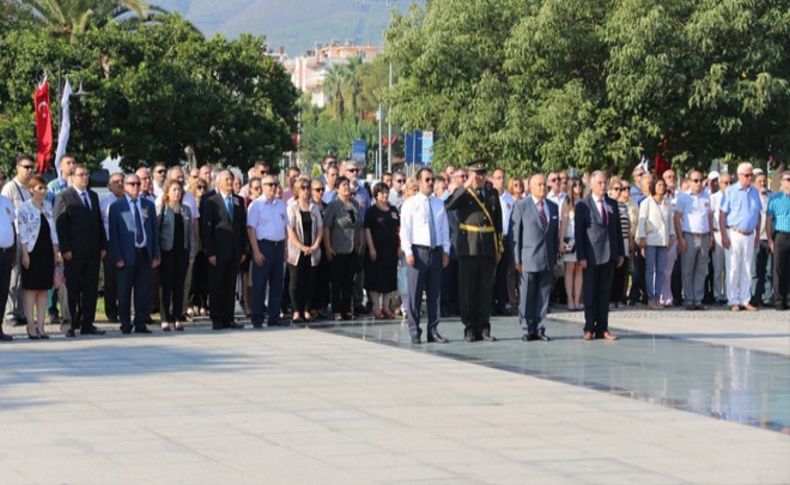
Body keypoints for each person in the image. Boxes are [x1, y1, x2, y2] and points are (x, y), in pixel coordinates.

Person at [445, 160, 503, 342]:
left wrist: (498, 245)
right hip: (468, 246)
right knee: (468, 289)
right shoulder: (462, 192)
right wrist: (466, 186)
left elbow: (498, 221)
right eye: (475, 174)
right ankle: (469, 326)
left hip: (486, 246)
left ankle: (484, 326)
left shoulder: (491, 193)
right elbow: (450, 205)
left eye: (482, 173)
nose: (479, 177)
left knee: (485, 289)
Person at [54, 164, 106, 337]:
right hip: (73, 252)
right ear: (73, 177)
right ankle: (68, 323)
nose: (84, 177)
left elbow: (98, 222)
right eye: (81, 174)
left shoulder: (93, 196)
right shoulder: (65, 196)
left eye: (86, 174)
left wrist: (103, 245)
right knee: (71, 288)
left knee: (90, 288)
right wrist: (65, 248)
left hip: (92, 251)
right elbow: (60, 225)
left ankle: (87, 323)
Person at [400, 168, 449, 344]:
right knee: (415, 293)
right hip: (418, 251)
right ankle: (414, 331)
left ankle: (433, 330)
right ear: (419, 182)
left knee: (434, 294)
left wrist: (446, 250)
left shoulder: (438, 204)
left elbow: (444, 230)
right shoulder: (410, 204)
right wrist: (408, 251)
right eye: (427, 180)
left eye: (432, 180)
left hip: (435, 251)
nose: (430, 183)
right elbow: (405, 230)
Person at [108, 174, 161, 334]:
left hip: (143, 253)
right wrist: (116, 257)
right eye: (132, 184)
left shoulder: (148, 205)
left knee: (142, 291)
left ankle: (140, 322)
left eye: (138, 184)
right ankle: (125, 323)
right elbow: (113, 234)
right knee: (124, 292)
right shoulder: (117, 206)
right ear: (124, 185)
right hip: (125, 255)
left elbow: (153, 232)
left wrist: (155, 254)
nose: (136, 187)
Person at [575, 171, 624, 341]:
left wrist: (620, 253)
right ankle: (589, 327)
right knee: (590, 293)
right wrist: (581, 256)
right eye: (600, 183)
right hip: (591, 255)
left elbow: (617, 230)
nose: (603, 186)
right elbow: (579, 232)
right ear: (592, 184)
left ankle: (603, 328)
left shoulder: (612, 203)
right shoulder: (583, 205)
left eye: (605, 183)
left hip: (609, 253)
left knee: (604, 294)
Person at [511, 174, 559, 342]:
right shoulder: (522, 206)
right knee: (527, 296)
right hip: (528, 258)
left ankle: (539, 328)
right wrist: (517, 258)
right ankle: (527, 328)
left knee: (543, 295)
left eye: (544, 184)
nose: (543, 187)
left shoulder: (553, 207)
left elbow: (554, 235)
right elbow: (515, 234)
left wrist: (554, 256)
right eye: (539, 184)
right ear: (530, 187)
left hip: (546, 258)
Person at [201, 169, 247, 330]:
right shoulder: (211, 201)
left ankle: (229, 318)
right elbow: (207, 230)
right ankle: (216, 318)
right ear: (218, 182)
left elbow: (242, 226)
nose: (230, 182)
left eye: (231, 179)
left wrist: (243, 250)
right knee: (217, 285)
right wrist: (210, 252)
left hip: (234, 251)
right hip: (218, 252)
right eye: (227, 179)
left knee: (230, 286)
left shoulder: (239, 201)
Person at [17, 176, 59, 339]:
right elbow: (23, 233)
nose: (43, 191)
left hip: (47, 251)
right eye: (40, 188)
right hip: (32, 251)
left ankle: (41, 327)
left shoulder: (48, 206)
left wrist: (56, 252)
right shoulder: (24, 208)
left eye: (44, 188)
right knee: (31, 290)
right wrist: (25, 254)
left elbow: (53, 232)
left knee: (43, 290)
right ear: (31, 189)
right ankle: (31, 325)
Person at [719, 163, 762, 312]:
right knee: (733, 268)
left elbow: (758, 215)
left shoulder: (754, 192)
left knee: (747, 268)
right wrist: (724, 235)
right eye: (746, 175)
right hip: (734, 233)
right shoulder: (730, 191)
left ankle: (745, 299)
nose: (749, 178)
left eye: (751, 175)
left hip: (749, 234)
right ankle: (732, 300)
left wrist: (757, 234)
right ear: (739, 175)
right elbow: (722, 214)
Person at [247, 174, 288, 327]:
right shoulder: (256, 205)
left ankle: (274, 317)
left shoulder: (280, 205)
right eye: (270, 184)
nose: (273, 187)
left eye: (275, 184)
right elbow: (251, 230)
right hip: (264, 246)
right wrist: (256, 251)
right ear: (263, 187)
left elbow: (285, 227)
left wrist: (286, 249)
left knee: (277, 284)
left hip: (279, 245)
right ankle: (257, 317)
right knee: (260, 284)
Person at [156, 179, 196, 331]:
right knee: (166, 285)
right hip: (167, 252)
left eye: (179, 190)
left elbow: (191, 233)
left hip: (182, 252)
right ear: (167, 192)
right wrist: (157, 254)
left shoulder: (186, 210)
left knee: (179, 285)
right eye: (174, 190)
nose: (177, 193)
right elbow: (157, 232)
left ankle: (178, 316)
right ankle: (165, 317)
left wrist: (192, 253)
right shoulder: (163, 209)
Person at [323, 176, 363, 321]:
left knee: (349, 281)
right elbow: (326, 227)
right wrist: (328, 247)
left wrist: (360, 244)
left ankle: (347, 309)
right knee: (337, 282)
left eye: (348, 185)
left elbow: (358, 226)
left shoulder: (354, 204)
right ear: (337, 188)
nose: (347, 187)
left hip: (353, 249)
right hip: (338, 248)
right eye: (344, 185)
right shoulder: (333, 205)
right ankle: (337, 310)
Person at [674, 170, 713, 310]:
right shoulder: (683, 197)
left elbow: (709, 217)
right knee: (687, 269)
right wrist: (681, 238)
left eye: (700, 180)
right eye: (695, 180)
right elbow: (677, 218)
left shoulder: (706, 197)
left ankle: (698, 299)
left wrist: (710, 237)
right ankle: (689, 299)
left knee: (702, 270)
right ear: (689, 182)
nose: (698, 183)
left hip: (703, 236)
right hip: (689, 235)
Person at [3, 154, 34, 326]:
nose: (29, 170)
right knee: (13, 277)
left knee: (25, 277)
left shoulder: (29, 188)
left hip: (29, 238)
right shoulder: (10, 187)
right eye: (26, 167)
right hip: (15, 237)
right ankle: (9, 313)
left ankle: (21, 311)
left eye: (31, 167)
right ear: (17, 167)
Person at [285, 177, 322, 322]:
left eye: (308, 188)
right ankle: (296, 310)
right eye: (303, 188)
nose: (306, 191)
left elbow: (320, 228)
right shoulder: (292, 207)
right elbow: (290, 230)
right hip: (296, 250)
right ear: (297, 190)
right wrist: (302, 247)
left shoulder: (314, 208)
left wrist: (315, 245)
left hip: (312, 249)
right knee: (295, 281)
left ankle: (307, 309)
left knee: (310, 281)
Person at [637, 178, 675, 310]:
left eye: (663, 185)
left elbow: (670, 221)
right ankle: (650, 297)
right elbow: (642, 221)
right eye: (659, 185)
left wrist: (672, 236)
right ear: (653, 187)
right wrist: (642, 237)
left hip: (663, 241)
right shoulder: (647, 202)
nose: (662, 187)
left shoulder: (667, 203)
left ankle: (658, 296)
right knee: (649, 270)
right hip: (651, 240)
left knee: (660, 270)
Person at [364, 182, 399, 319]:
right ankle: (376, 307)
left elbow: (398, 229)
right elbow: (367, 230)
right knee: (375, 278)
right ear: (376, 195)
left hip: (391, 250)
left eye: (386, 192)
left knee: (389, 278)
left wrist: (400, 247)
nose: (385, 195)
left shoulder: (393, 210)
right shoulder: (371, 211)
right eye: (382, 192)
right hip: (376, 249)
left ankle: (386, 307)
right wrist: (371, 248)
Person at [492, 168, 516, 315]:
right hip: (493, 239)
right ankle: (490, 303)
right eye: (498, 178)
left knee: (504, 273)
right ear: (493, 179)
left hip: (506, 239)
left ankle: (501, 303)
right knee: (491, 274)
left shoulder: (510, 199)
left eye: (502, 177)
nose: (501, 181)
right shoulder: (490, 197)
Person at [766, 171, 790, 310]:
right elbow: (769, 220)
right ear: (781, 181)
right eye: (787, 179)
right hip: (780, 235)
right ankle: (779, 300)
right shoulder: (775, 198)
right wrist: (770, 239)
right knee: (778, 269)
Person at [560, 177, 584, 310]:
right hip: (570, 237)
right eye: (575, 185)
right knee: (570, 268)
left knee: (580, 268)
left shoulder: (585, 202)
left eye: (580, 185)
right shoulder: (568, 202)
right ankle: (570, 298)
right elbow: (563, 223)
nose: (578, 187)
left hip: (582, 239)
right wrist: (561, 240)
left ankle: (577, 298)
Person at [750, 171, 773, 307]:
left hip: (769, 238)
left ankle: (767, 296)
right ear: (754, 183)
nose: (763, 184)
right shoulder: (752, 197)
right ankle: (754, 296)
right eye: (760, 181)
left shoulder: (772, 197)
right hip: (755, 238)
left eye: (764, 181)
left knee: (768, 270)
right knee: (755, 271)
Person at [188, 177, 210, 316]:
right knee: (192, 276)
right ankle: (191, 303)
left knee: (204, 276)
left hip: (205, 245)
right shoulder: (190, 203)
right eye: (199, 187)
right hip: (193, 244)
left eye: (204, 188)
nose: (202, 190)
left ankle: (203, 303)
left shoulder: (209, 203)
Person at [309, 179, 331, 317]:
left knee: (324, 277)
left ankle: (322, 305)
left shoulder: (327, 207)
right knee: (312, 278)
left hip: (325, 244)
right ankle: (311, 306)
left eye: (322, 189)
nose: (320, 192)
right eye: (317, 190)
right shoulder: (308, 206)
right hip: (311, 245)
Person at [709, 172, 731, 304]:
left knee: (730, 266)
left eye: (730, 183)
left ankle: (728, 293)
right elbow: (710, 218)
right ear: (719, 183)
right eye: (725, 183)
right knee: (718, 267)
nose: (727, 186)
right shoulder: (713, 198)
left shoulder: (734, 196)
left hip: (730, 231)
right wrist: (711, 236)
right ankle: (717, 294)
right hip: (717, 233)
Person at [608, 177, 630, 307]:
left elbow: (627, 225)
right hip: (613, 242)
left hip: (624, 241)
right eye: (616, 189)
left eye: (620, 189)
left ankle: (618, 297)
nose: (619, 192)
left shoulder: (622, 205)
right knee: (612, 271)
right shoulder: (609, 205)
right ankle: (610, 299)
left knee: (622, 271)